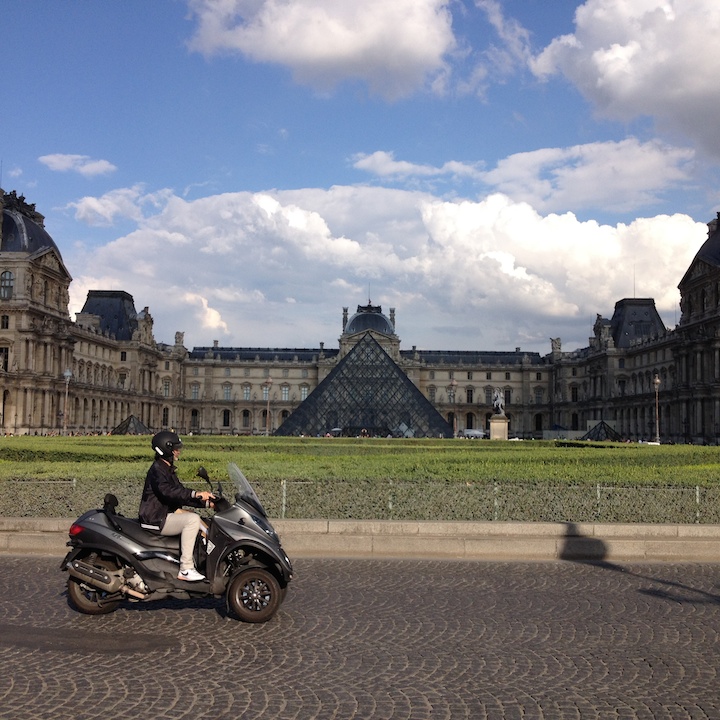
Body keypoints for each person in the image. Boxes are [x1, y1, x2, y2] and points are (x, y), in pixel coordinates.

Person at [139, 431, 214, 581]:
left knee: (201, 522)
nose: (178, 451)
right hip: (155, 517)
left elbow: (179, 495)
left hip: (162, 513)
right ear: (166, 450)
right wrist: (195, 493)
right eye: (175, 449)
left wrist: (206, 503)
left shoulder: (166, 468)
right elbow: (168, 492)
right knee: (192, 520)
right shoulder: (157, 470)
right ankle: (186, 568)